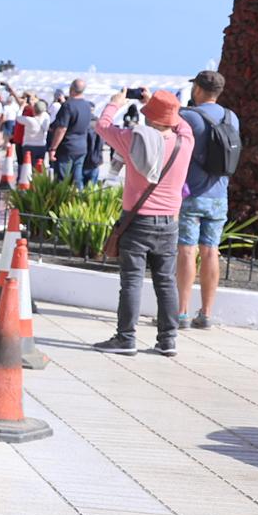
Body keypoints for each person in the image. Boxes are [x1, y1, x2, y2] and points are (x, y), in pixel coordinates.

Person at [94, 90, 194, 357]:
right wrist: (154, 103)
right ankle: (168, 340)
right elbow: (181, 124)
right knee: (166, 282)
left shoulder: (133, 138)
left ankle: (126, 338)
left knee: (131, 282)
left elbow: (102, 126)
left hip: (137, 222)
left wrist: (115, 103)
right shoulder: (185, 141)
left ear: (149, 116)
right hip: (169, 223)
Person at [176, 70, 238, 330]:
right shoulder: (231, 117)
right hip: (219, 195)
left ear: (199, 89)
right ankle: (206, 313)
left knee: (187, 249)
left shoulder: (188, 116)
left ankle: (181, 313)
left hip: (191, 194)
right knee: (211, 250)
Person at [45, 79, 95, 186]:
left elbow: (61, 128)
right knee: (77, 179)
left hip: (67, 147)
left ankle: (63, 197)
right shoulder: (87, 106)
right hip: (81, 147)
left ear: (71, 89)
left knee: (62, 181)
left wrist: (53, 148)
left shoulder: (68, 106)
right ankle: (78, 196)